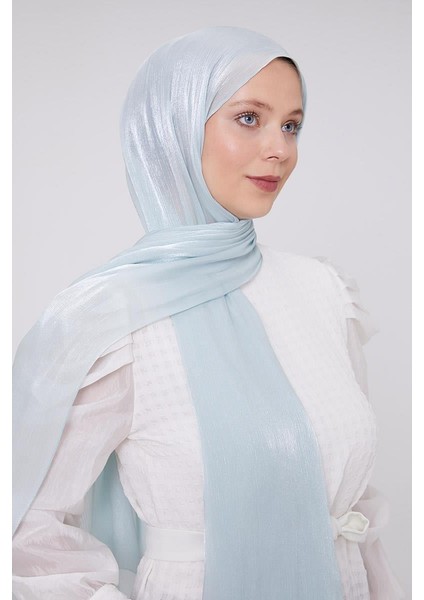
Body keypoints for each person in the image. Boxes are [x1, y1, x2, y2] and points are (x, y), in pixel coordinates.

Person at [12, 26, 404, 600]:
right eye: (249, 118)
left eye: (291, 125)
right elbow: (25, 533)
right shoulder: (111, 318)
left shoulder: (323, 291)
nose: (280, 149)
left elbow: (353, 511)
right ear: (169, 128)